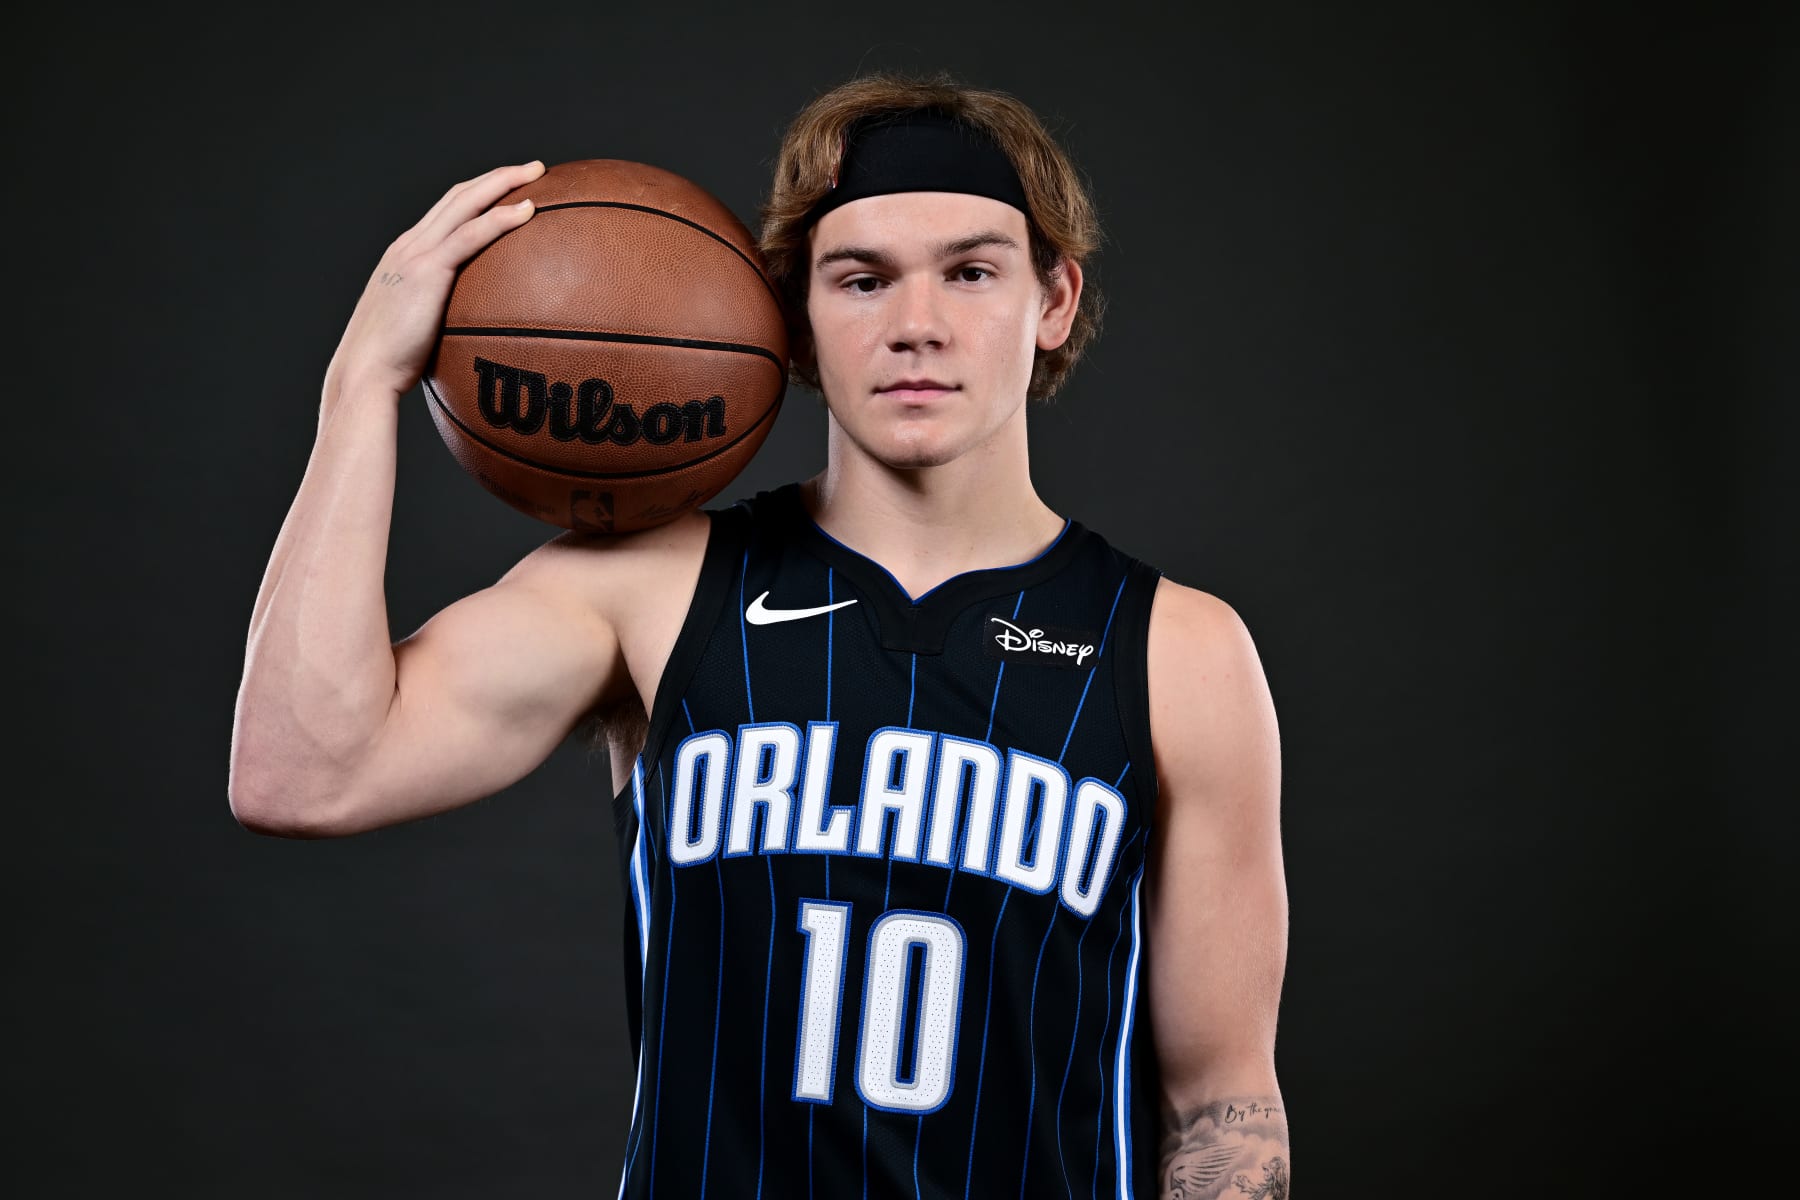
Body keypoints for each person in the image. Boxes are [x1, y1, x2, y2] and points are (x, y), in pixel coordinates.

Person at [230, 70, 1290, 1199]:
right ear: (793, 320)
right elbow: (303, 770)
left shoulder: (1178, 652)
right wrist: (362, 385)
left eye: (971, 272)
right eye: (861, 279)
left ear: (1054, 301)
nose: (917, 326)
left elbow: (1221, 1105)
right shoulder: (653, 587)